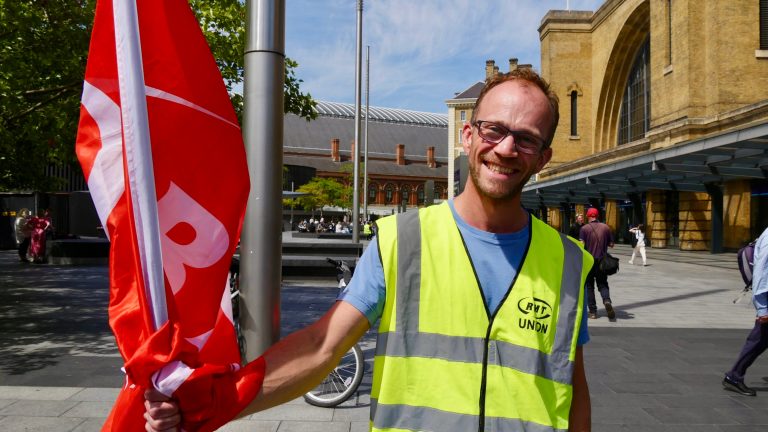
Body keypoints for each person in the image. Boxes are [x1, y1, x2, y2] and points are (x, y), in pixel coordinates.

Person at [146, 69, 593, 431]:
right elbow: (321, 347)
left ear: (544, 157)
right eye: (494, 129)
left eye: (526, 138)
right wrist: (214, 403)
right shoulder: (404, 240)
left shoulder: (569, 262)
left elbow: (571, 389)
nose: (507, 148)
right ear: (468, 137)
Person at [723, 227, 768, 396]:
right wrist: (762, 307)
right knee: (759, 338)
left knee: (761, 338)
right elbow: (762, 273)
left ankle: (734, 375)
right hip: (766, 297)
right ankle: (734, 376)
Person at [579, 207, 615, 320]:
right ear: (597, 216)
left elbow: (581, 244)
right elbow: (612, 244)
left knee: (589, 286)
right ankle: (607, 300)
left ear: (588, 216)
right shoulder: (605, 227)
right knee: (603, 283)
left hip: (589, 261)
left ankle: (593, 312)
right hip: (602, 262)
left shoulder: (584, 228)